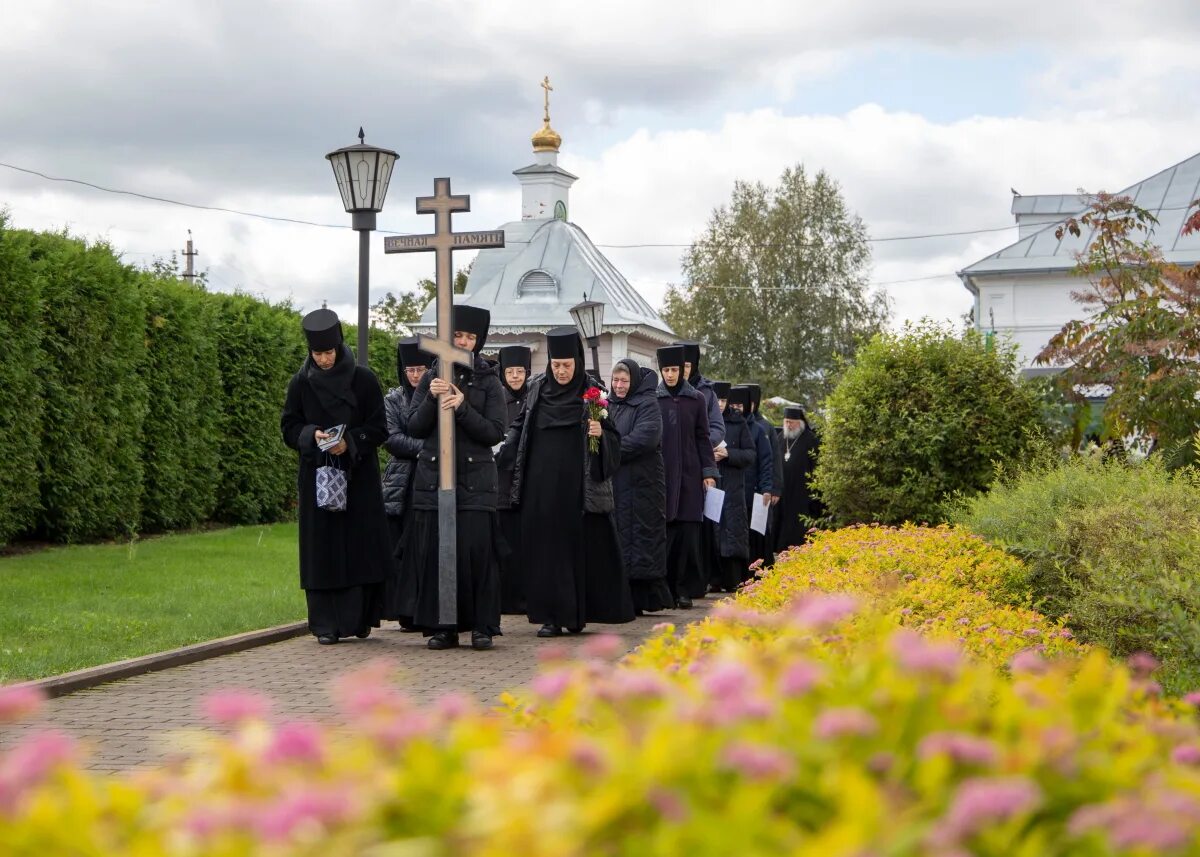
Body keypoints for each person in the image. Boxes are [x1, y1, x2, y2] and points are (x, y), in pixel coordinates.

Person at [499, 327, 634, 637]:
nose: (561, 371)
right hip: (539, 488)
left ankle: (574, 615)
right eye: (556, 364)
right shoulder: (536, 389)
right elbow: (520, 426)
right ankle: (550, 616)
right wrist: (504, 453)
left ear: (577, 361)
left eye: (567, 365)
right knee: (544, 550)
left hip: (576, 488)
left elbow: (613, 437)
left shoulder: (593, 392)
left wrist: (601, 435)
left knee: (573, 550)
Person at [280, 308, 390, 645]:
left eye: (329, 352)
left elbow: (379, 427)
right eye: (318, 354)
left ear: (339, 347)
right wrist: (311, 435)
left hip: (358, 477)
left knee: (358, 546)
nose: (325, 360)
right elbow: (289, 426)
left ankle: (359, 620)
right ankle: (325, 624)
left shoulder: (364, 379)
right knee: (322, 549)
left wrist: (351, 442)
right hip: (318, 478)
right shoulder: (300, 383)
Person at [402, 305, 507, 651]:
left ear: (478, 342)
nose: (463, 341)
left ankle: (482, 626)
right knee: (438, 552)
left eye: (470, 337)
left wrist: (462, 406)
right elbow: (413, 426)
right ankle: (443, 626)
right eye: (458, 335)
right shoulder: (432, 375)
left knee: (476, 553)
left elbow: (494, 431)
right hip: (434, 479)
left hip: (476, 481)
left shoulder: (489, 379)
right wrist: (433, 398)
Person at [656, 344, 718, 609]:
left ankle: (683, 589)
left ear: (683, 370)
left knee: (687, 535)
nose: (670, 375)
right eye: (666, 370)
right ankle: (665, 590)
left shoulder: (696, 400)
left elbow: (703, 438)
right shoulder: (654, 399)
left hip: (690, 477)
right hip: (662, 476)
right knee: (665, 535)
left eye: (674, 370)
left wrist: (708, 472)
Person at [608, 358, 672, 614]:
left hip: (644, 485)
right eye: (615, 381)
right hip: (617, 482)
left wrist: (609, 450)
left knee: (642, 538)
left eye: (624, 381)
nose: (620, 386)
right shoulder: (607, 405)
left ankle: (644, 597)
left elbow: (645, 438)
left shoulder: (647, 403)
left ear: (633, 381)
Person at [380, 338, 427, 630]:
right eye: (410, 369)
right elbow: (390, 437)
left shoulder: (435, 395)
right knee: (401, 546)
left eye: (420, 369)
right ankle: (403, 610)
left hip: (430, 479)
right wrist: (424, 448)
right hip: (402, 480)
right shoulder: (394, 399)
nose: (414, 375)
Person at [496, 344, 531, 614]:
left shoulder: (534, 400)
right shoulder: (497, 400)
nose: (516, 376)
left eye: (520, 371)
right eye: (511, 371)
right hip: (500, 482)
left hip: (527, 480)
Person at [712, 385, 757, 592]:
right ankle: (713, 578)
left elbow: (750, 454)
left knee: (731, 533)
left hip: (732, 486)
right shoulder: (705, 419)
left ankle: (732, 579)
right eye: (717, 400)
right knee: (712, 532)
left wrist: (728, 454)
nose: (720, 405)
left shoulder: (738, 423)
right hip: (710, 484)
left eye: (723, 401)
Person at [774, 406, 821, 553]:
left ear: (800, 423)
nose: (789, 425)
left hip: (802, 493)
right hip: (783, 491)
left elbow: (816, 467)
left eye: (792, 422)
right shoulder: (780, 438)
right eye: (786, 422)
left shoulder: (811, 440)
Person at [743, 383, 776, 566]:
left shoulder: (763, 427)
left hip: (759, 488)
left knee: (759, 530)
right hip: (743, 489)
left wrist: (772, 488)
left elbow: (771, 461)